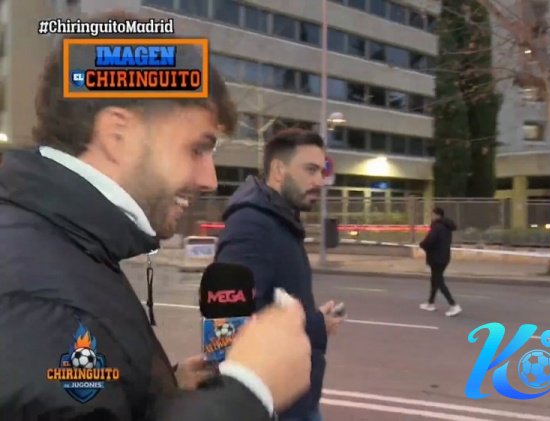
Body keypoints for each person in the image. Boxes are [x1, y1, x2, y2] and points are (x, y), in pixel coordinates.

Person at [0, 11, 311, 421]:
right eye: (197, 148)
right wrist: (249, 394)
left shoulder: (60, 247)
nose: (209, 179)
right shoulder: (45, 302)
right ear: (118, 134)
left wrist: (158, 393)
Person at [213, 128, 345, 421]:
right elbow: (230, 321)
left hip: (294, 397)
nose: (319, 181)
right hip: (275, 404)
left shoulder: (280, 220)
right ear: (278, 170)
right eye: (310, 170)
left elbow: (276, 300)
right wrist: (317, 325)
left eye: (321, 171)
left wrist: (313, 317)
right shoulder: (251, 226)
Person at [419, 207, 462, 317]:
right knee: (435, 279)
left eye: (432, 215)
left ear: (437, 215)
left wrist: (422, 244)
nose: (431, 217)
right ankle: (430, 303)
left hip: (436, 258)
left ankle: (453, 305)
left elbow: (430, 241)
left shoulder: (437, 226)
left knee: (438, 281)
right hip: (444, 257)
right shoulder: (447, 226)